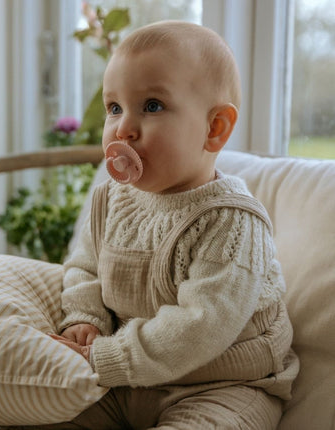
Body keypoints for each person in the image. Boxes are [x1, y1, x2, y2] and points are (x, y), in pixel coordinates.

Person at [48, 20, 299, 429]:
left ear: (214, 128)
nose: (123, 128)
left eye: (151, 106)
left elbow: (200, 326)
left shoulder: (232, 222)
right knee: (44, 415)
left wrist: (106, 358)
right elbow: (84, 267)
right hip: (127, 380)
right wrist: (84, 319)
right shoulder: (111, 199)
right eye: (115, 108)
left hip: (224, 385)